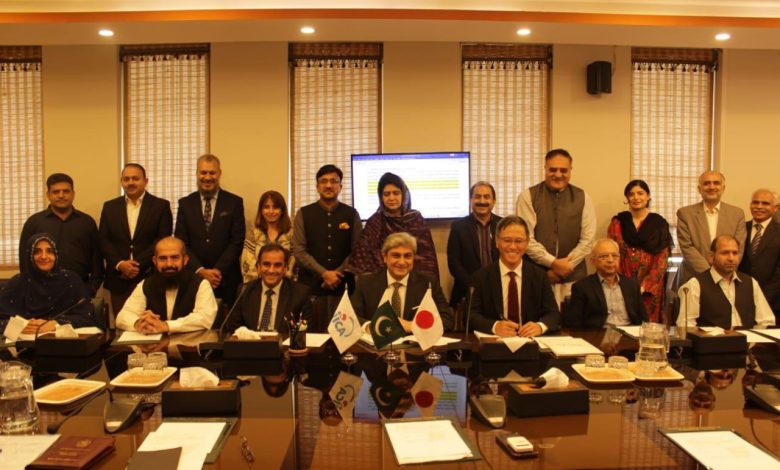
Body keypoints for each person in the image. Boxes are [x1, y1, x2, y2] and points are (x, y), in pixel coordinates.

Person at [516, 149, 596, 305]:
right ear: (545, 168)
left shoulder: (583, 197)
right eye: (553, 169)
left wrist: (566, 266)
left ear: (570, 170)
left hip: (574, 278)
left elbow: (588, 240)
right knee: (538, 319)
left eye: (563, 170)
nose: (558, 175)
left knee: (573, 319)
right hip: (539, 276)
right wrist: (553, 263)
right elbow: (526, 239)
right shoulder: (528, 196)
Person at [98, 163, 173, 314]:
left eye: (135, 178)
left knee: (151, 323)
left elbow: (162, 241)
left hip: (149, 277)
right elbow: (104, 240)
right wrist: (120, 264)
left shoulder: (160, 206)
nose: (131, 182)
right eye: (126, 179)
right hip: (118, 279)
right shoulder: (110, 207)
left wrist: (136, 265)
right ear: (122, 181)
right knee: (122, 323)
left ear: (145, 181)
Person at [468, 215, 560, 337]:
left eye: (518, 241)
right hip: (495, 342)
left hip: (530, 341)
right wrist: (494, 326)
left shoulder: (540, 276)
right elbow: (470, 316)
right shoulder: (480, 277)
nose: (512, 246)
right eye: (507, 240)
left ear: (527, 243)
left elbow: (553, 314)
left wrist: (540, 326)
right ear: (497, 242)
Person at [292, 164, 362, 322]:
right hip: (310, 288)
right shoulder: (303, 213)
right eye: (323, 181)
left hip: (344, 288)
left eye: (334, 181)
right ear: (317, 187)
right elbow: (299, 251)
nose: (328, 185)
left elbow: (357, 251)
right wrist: (324, 273)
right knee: (310, 333)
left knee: (344, 333)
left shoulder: (351, 214)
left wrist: (337, 274)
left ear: (340, 186)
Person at [175, 154, 245, 308]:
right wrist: (200, 270)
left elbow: (237, 241)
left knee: (226, 321)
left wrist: (217, 270)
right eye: (203, 172)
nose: (207, 177)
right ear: (196, 173)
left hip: (226, 279)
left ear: (219, 174)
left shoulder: (234, 202)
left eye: (212, 173)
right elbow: (181, 242)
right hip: (193, 278)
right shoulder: (185, 204)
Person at [351, 232, 453, 331]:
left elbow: (447, 319)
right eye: (396, 256)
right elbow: (351, 316)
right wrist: (370, 327)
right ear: (384, 257)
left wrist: (413, 326)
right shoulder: (366, 283)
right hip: (376, 341)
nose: (402, 262)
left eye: (407, 256)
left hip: (413, 341)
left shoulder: (428, 283)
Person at [19, 173, 103, 294]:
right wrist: (33, 287)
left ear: (73, 194)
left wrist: (93, 287)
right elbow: (25, 259)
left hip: (80, 288)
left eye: (66, 191)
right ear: (48, 195)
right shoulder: (34, 222)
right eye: (56, 192)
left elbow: (96, 259)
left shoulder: (87, 222)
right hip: (42, 288)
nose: (61, 195)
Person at [116, 236, 218, 334]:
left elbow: (205, 318)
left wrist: (166, 326)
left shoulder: (201, 284)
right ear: (155, 261)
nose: (169, 264)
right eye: (163, 258)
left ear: (185, 259)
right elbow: (122, 316)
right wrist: (139, 323)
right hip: (154, 345)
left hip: (190, 345)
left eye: (175, 257)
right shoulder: (146, 284)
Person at [347, 172, 439, 278]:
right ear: (381, 197)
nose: (391, 198)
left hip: (414, 281)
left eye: (396, 193)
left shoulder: (416, 219)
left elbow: (427, 258)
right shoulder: (375, 222)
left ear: (404, 194)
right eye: (386, 194)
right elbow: (365, 257)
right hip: (383, 281)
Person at [0, 234, 96, 334]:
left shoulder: (71, 280)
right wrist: (20, 327)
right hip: (26, 342)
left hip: (62, 342)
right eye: (37, 252)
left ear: (56, 254)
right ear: (29, 255)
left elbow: (88, 318)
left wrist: (56, 324)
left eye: (49, 251)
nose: (44, 256)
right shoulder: (18, 283)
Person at [607, 180, 672, 323]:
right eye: (631, 194)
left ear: (648, 196)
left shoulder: (659, 224)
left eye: (640, 193)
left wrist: (645, 285)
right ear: (627, 198)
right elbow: (611, 254)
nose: (636, 197)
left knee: (647, 327)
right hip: (621, 284)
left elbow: (662, 259)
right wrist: (623, 284)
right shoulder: (618, 223)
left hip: (650, 288)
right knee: (622, 323)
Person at [677, 235, 775, 329]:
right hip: (712, 340)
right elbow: (686, 326)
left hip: (748, 339)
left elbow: (766, 321)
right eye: (725, 253)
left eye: (735, 253)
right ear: (711, 256)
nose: (731, 258)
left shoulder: (751, 283)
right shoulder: (695, 284)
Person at [676, 171, 746, 285]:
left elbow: (739, 247)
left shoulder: (737, 214)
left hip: (726, 277)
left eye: (716, 183)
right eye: (706, 183)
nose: (711, 187)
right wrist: (711, 274)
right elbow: (687, 247)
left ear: (723, 188)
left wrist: (722, 272)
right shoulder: (685, 214)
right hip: (693, 278)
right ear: (699, 189)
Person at [226, 243, 311, 335]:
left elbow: (305, 332)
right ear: (258, 267)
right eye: (266, 264)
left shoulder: (301, 294)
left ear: (285, 268)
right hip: (251, 343)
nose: (271, 270)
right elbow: (234, 328)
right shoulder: (244, 290)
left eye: (277, 265)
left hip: (283, 344)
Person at [566, 239, 647, 329]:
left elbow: (644, 319)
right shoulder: (581, 287)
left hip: (629, 332)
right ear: (593, 261)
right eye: (604, 256)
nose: (610, 260)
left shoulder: (632, 285)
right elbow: (574, 324)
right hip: (599, 333)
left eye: (614, 256)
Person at [446, 181, 501, 309]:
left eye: (486, 197)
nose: (482, 201)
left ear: (493, 201)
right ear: (471, 200)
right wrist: (474, 285)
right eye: (477, 196)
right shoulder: (458, 227)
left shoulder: (503, 225)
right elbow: (454, 263)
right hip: (467, 292)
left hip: (499, 290)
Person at [738, 189, 780, 320]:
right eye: (755, 202)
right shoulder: (740, 228)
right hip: (741, 299)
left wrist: (761, 297)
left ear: (775, 208)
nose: (759, 207)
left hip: (773, 302)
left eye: (765, 203)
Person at [241, 190, 295, 282]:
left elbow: (294, 264)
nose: (271, 211)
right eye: (266, 207)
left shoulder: (290, 233)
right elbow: (247, 265)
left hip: (286, 284)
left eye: (275, 207)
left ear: (282, 211)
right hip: (257, 284)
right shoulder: (254, 234)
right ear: (261, 210)